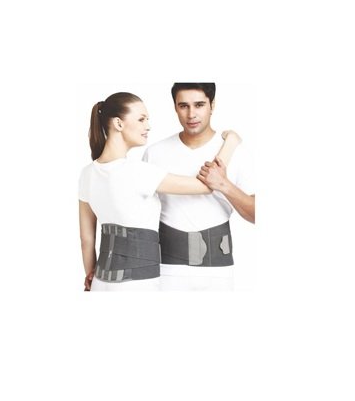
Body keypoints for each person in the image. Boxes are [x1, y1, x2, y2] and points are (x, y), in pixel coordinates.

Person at [78, 92, 241, 292]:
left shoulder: (87, 174)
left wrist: (90, 273)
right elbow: (207, 185)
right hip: (137, 286)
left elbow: (86, 240)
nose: (148, 126)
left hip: (100, 283)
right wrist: (231, 142)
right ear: (119, 124)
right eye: (141, 119)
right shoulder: (138, 172)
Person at [143, 83, 255, 291]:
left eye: (199, 105)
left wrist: (224, 185)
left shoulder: (235, 152)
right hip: (167, 268)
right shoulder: (155, 153)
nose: (191, 114)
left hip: (218, 271)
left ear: (212, 105)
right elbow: (141, 216)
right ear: (175, 107)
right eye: (183, 106)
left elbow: (256, 215)